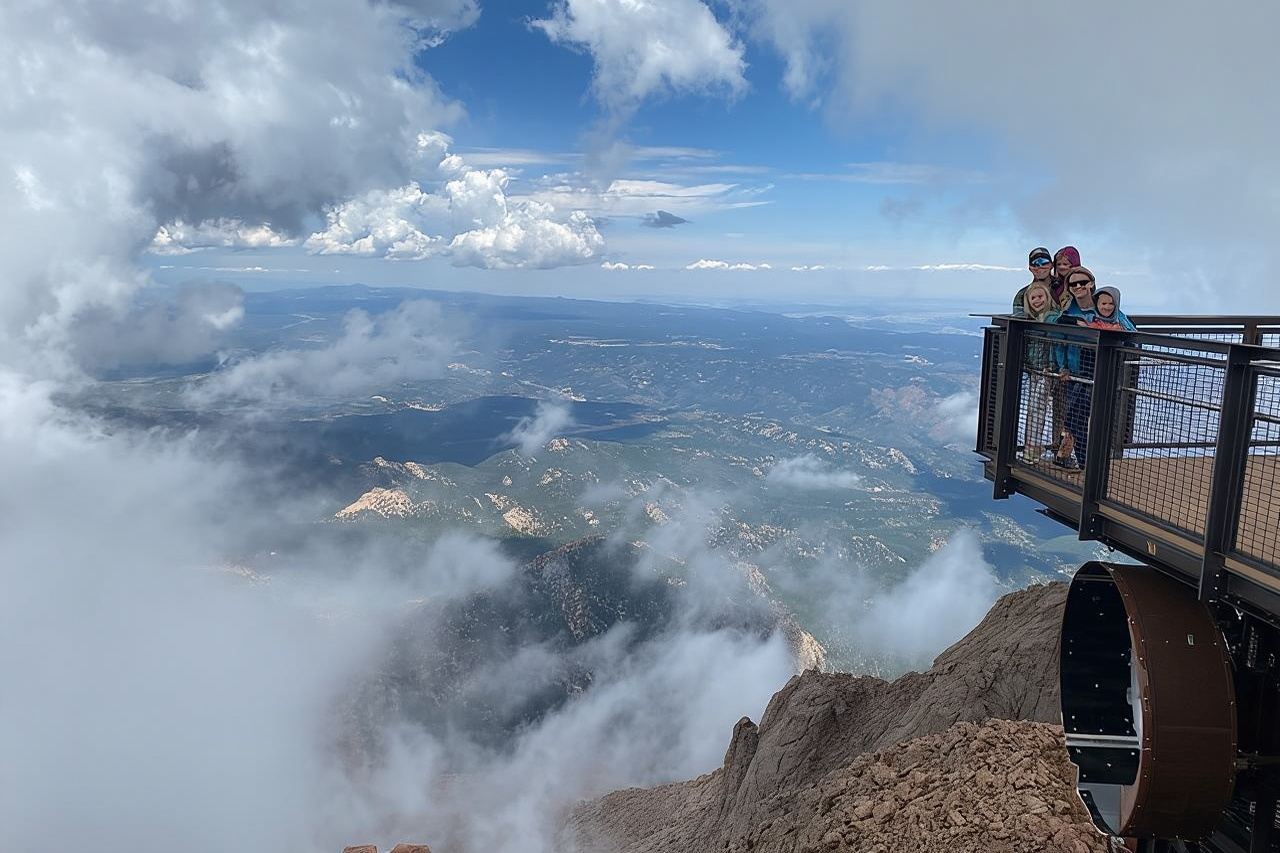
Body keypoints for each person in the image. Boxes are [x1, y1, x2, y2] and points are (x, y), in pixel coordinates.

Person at [1052, 266, 1099, 470]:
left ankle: (1082, 461)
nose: (1078, 286)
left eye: (1083, 282)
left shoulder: (1104, 307)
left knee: (1081, 418)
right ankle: (1086, 462)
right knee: (1075, 417)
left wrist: (1088, 328)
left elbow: (1129, 330)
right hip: (1076, 372)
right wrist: (1062, 367)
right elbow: (1058, 340)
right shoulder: (1068, 312)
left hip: (1100, 370)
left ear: (1091, 284)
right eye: (1073, 284)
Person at [1017, 281, 1059, 463]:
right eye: (1033, 298)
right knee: (1034, 409)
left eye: (1040, 296)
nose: (1036, 300)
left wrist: (1050, 366)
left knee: (1037, 409)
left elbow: (1051, 346)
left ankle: (1032, 452)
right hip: (1036, 369)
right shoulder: (1033, 320)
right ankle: (1031, 450)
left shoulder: (1051, 319)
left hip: (1045, 370)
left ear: (1047, 298)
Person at [1012, 247, 1055, 315]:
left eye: (1044, 262)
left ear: (1051, 265)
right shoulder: (1022, 295)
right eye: (1034, 263)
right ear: (1030, 268)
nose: (1040, 266)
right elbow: (1018, 320)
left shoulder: (1063, 288)